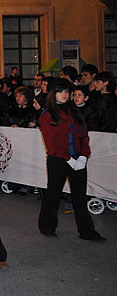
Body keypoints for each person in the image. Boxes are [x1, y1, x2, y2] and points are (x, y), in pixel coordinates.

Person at [37, 79, 106, 242]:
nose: (65, 94)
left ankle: (87, 231)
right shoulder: (46, 115)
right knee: (53, 194)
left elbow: (83, 135)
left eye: (67, 92)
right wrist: (69, 159)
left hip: (78, 158)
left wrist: (83, 155)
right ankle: (47, 226)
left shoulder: (75, 111)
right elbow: (52, 144)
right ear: (53, 94)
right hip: (58, 159)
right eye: (61, 91)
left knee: (80, 196)